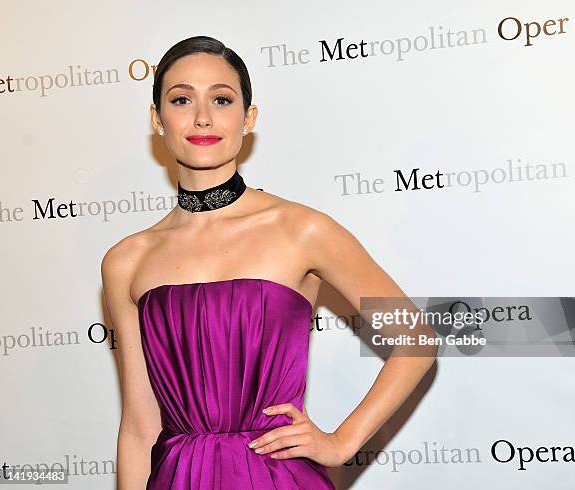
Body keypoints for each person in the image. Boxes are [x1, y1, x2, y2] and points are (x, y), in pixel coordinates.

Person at [101, 35, 437, 489]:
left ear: (248, 118)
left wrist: (341, 442)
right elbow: (141, 427)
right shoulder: (126, 260)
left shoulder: (302, 229)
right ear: (158, 120)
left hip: (275, 477)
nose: (202, 117)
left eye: (222, 99)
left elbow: (415, 339)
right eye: (182, 99)